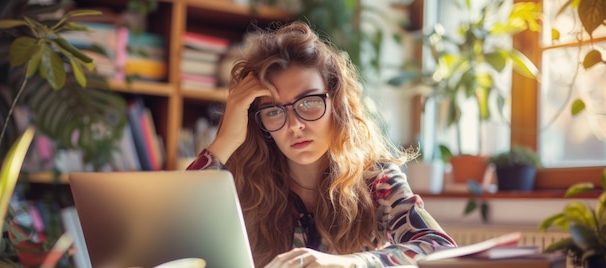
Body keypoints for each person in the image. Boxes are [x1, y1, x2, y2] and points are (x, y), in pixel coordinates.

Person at [186, 21, 456, 267]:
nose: (294, 125)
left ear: (336, 104)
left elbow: (438, 248)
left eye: (309, 103)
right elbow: (176, 234)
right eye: (274, 111)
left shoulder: (377, 179)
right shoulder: (243, 181)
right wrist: (226, 140)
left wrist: (347, 264)